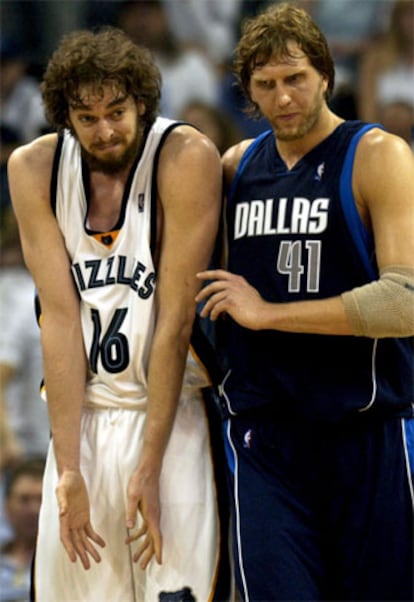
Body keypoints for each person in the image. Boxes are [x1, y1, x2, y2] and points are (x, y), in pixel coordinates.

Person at [196, 3, 414, 601]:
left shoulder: (377, 154)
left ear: (324, 74)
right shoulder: (235, 167)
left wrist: (269, 314)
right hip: (264, 439)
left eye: (295, 78)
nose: (283, 96)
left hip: (364, 433)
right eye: (265, 85)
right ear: (248, 92)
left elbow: (406, 301)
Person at [7, 26, 226, 602]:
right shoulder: (34, 169)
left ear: (143, 102)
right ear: (64, 119)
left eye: (117, 111)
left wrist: (148, 467)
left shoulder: (184, 155)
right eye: (87, 118)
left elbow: (176, 321)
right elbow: (57, 318)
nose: (105, 130)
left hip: (170, 414)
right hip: (81, 418)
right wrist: (70, 470)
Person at [0, 457, 45, 602]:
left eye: (41, 499)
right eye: (24, 499)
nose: (33, 509)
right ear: (7, 507)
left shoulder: (68, 565)